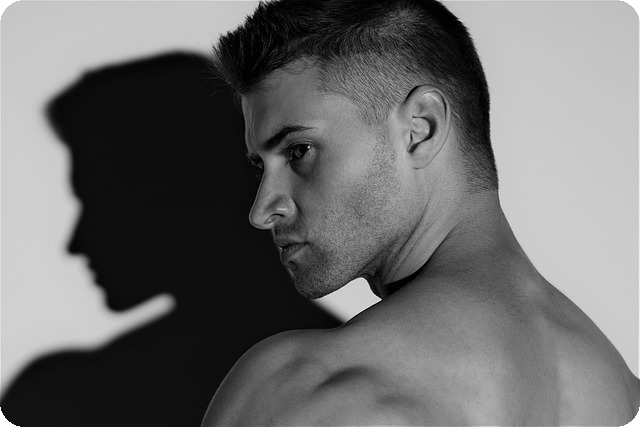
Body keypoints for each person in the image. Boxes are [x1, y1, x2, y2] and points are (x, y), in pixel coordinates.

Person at [200, 0, 639, 425]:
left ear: (420, 129)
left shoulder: (305, 389)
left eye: (299, 151)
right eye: (259, 167)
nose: (262, 210)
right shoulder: (623, 393)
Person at [0, 52, 341, 427]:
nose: (76, 243)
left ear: (188, 196)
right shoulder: (364, 376)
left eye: (100, 202)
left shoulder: (63, 397)